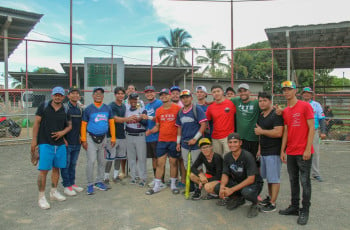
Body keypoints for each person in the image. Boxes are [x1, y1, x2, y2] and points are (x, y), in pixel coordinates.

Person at [279, 81, 315, 226]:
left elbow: (312, 127)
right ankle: (294, 207)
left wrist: (307, 149)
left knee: (305, 181)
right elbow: (286, 131)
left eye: (289, 89)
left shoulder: (305, 106)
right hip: (291, 151)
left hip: (303, 152)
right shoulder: (286, 110)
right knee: (293, 180)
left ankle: (304, 210)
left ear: (295, 91)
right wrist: (283, 150)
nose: (286, 92)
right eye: (284, 90)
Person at [31, 86, 72, 209]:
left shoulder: (65, 110)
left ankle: (53, 192)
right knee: (43, 170)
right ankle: (41, 197)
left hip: (59, 145)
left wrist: (62, 133)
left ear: (63, 97)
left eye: (60, 95)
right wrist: (34, 141)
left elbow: (69, 126)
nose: (58, 97)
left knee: (56, 169)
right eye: (56, 95)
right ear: (52, 95)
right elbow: (36, 123)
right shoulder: (43, 107)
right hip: (45, 143)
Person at [207, 133, 263, 218]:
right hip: (238, 182)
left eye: (235, 142)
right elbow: (225, 173)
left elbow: (251, 179)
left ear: (240, 143)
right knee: (217, 188)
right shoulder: (227, 156)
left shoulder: (247, 156)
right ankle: (238, 198)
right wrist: (222, 187)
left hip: (253, 184)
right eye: (230, 142)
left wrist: (231, 190)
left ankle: (255, 203)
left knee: (246, 192)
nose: (232, 145)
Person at [146, 88, 181, 195]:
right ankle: (157, 186)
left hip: (173, 141)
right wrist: (150, 131)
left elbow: (180, 126)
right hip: (162, 140)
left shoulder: (177, 108)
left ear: (170, 96)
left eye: (166, 94)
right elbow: (157, 126)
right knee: (160, 163)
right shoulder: (159, 110)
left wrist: (178, 141)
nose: (164, 96)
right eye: (162, 95)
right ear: (160, 97)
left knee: (173, 163)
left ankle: (173, 185)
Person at [81, 87, 116, 195]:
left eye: (100, 93)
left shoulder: (107, 108)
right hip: (91, 138)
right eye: (96, 93)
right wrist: (83, 139)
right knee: (91, 161)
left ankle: (99, 181)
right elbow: (83, 125)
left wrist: (113, 137)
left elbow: (111, 123)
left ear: (103, 96)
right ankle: (90, 184)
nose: (98, 95)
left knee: (102, 161)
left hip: (103, 138)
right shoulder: (88, 109)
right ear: (92, 95)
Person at [254, 92, 283, 212]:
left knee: (274, 178)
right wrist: (259, 149)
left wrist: (261, 131)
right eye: (260, 101)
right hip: (264, 152)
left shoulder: (276, 115)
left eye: (264, 100)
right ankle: (270, 198)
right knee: (269, 178)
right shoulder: (261, 115)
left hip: (274, 151)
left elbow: (278, 132)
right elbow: (261, 135)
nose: (262, 103)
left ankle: (273, 203)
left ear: (270, 101)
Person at [175, 89, 207, 189]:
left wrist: (195, 139)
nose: (185, 100)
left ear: (191, 98)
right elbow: (179, 127)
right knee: (186, 165)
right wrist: (178, 143)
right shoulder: (180, 112)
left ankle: (199, 186)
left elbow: (203, 125)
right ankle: (192, 185)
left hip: (196, 143)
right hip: (184, 143)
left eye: (187, 97)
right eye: (183, 98)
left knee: (197, 166)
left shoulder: (196, 109)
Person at [103, 87, 132, 188]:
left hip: (122, 135)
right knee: (110, 157)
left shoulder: (124, 106)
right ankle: (106, 177)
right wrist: (127, 119)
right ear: (115, 95)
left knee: (119, 157)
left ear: (124, 95)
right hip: (112, 136)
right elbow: (115, 119)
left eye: (122, 94)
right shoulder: (111, 106)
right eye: (118, 93)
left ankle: (115, 176)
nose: (120, 95)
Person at [60, 87, 84, 196]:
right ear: (68, 96)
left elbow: (80, 125)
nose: (75, 95)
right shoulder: (65, 108)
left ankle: (72, 183)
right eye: (72, 93)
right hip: (67, 142)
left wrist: (80, 137)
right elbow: (60, 125)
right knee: (66, 164)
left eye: (77, 93)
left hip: (76, 142)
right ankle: (66, 186)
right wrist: (63, 139)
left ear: (79, 96)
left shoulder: (79, 109)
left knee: (73, 164)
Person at [301, 87, 326, 182]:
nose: (306, 94)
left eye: (308, 93)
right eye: (305, 93)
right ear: (302, 94)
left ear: (311, 95)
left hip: (313, 131)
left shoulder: (316, 105)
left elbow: (322, 118)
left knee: (314, 152)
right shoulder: (299, 104)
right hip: (301, 131)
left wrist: (323, 132)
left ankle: (315, 173)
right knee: (300, 152)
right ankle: (303, 172)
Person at [231, 83, 260, 158]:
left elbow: (267, 109)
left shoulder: (256, 102)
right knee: (243, 161)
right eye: (240, 91)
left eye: (245, 91)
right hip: (241, 138)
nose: (243, 93)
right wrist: (209, 102)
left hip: (254, 138)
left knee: (254, 161)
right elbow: (223, 100)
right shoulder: (236, 100)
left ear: (249, 92)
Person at [125, 93, 148, 187]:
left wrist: (139, 119)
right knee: (131, 158)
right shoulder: (126, 109)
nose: (134, 101)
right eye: (132, 99)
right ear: (129, 100)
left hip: (140, 135)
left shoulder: (142, 109)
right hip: (129, 135)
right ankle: (133, 177)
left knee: (141, 158)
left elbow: (146, 123)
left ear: (138, 100)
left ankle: (143, 178)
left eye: (135, 99)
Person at [206, 85, 236, 156]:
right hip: (215, 137)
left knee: (228, 158)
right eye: (214, 92)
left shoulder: (231, 103)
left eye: (218, 91)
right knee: (217, 159)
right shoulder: (210, 107)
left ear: (222, 92)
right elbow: (207, 121)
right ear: (212, 94)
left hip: (228, 137)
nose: (216, 93)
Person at [144, 85, 164, 187]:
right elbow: (145, 121)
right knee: (153, 159)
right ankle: (156, 179)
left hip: (157, 136)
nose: (149, 94)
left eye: (151, 92)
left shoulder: (159, 103)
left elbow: (160, 118)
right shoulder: (146, 106)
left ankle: (161, 181)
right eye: (147, 92)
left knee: (159, 159)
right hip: (149, 137)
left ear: (154, 93)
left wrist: (151, 131)